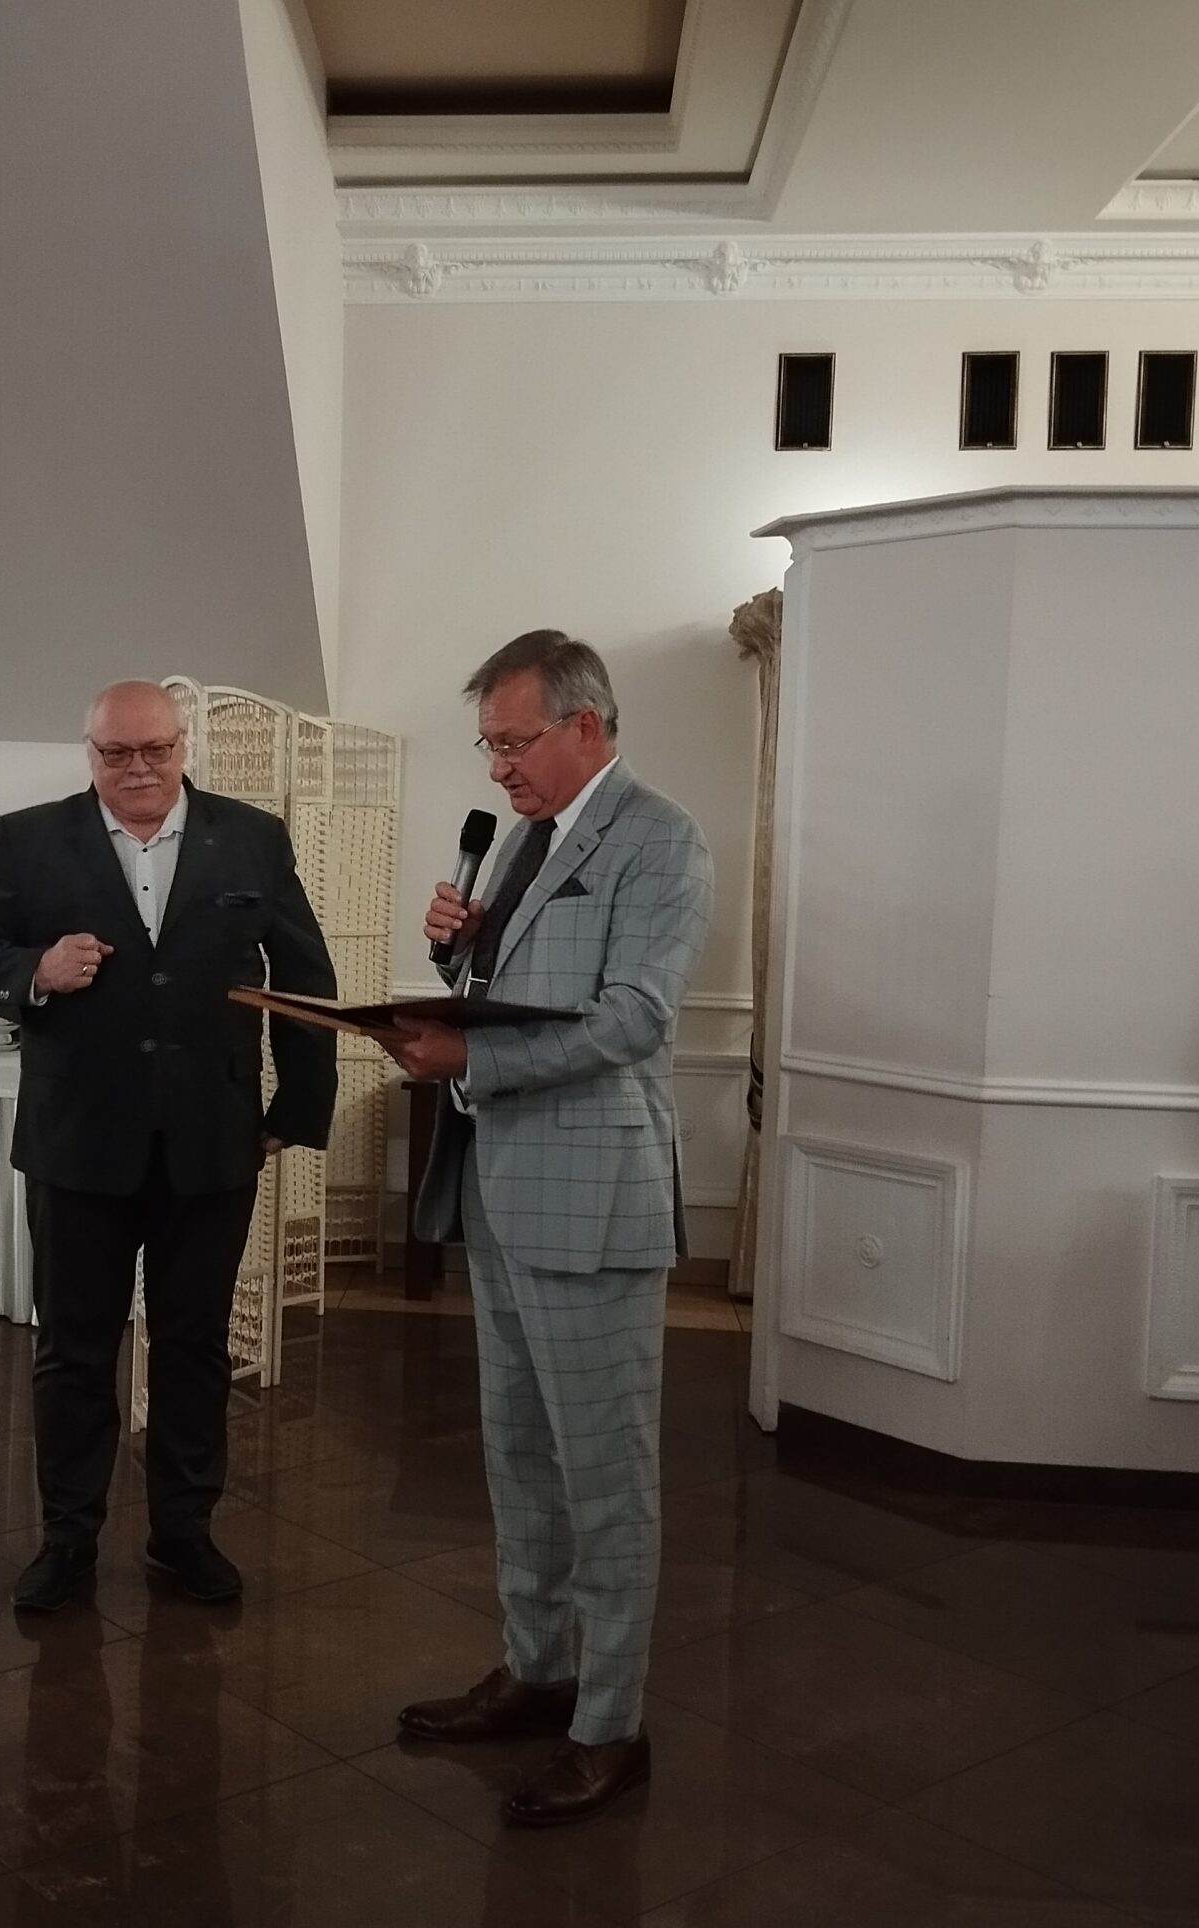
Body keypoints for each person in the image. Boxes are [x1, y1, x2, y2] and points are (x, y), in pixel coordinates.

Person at [383, 631, 713, 1830]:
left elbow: (633, 1018)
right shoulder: (527, 837)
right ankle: (536, 1668)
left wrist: (469, 1058)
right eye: (488, 745)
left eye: (513, 742)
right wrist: (456, 947)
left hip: (590, 1199)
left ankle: (608, 1724)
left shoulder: (660, 838)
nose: (497, 768)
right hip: (501, 1187)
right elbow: (523, 986)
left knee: (604, 1475)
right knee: (518, 1455)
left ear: (586, 724)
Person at [0, 680, 338, 1613]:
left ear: (183, 744)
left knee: (195, 1346)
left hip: (213, 1135)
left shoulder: (253, 837)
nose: (139, 769)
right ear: (89, 754)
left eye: (155, 749)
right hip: (78, 1138)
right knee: (73, 1350)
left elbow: (305, 976)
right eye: (116, 753)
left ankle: (183, 1533)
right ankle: (67, 1538)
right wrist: (34, 969)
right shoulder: (30, 838)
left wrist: (300, 1103)